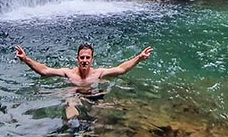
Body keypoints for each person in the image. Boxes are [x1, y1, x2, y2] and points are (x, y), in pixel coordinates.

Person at [14, 43, 154, 124]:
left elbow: (121, 69)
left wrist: (138, 58)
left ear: (92, 59)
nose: (85, 60)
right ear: (77, 59)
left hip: (94, 95)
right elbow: (44, 71)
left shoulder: (98, 74)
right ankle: (73, 129)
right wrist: (26, 59)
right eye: (82, 57)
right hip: (75, 95)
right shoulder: (68, 73)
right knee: (70, 100)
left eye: (88, 57)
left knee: (108, 111)